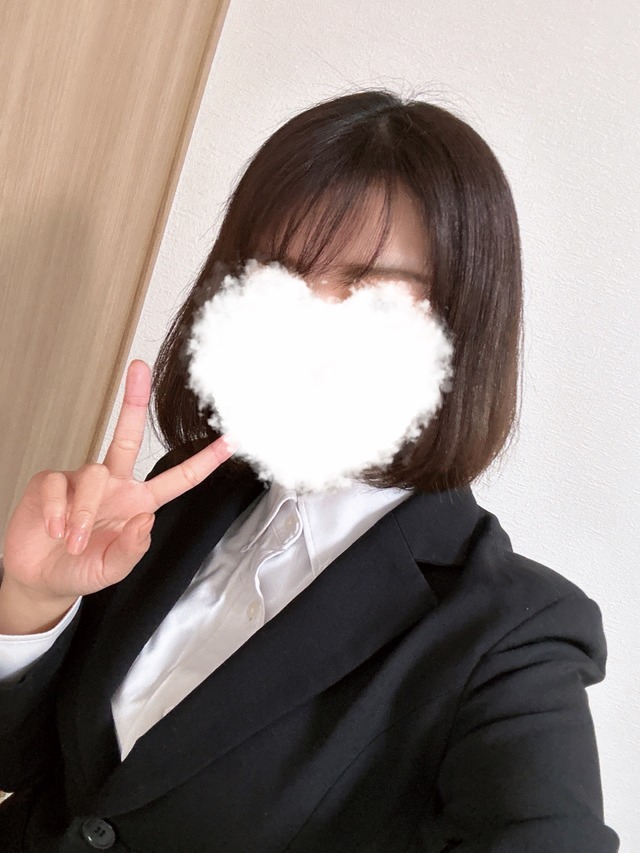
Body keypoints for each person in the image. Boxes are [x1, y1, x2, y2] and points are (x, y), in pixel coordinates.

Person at [0, 89, 619, 852]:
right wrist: (33, 600)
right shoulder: (183, 499)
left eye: (370, 286)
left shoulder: (511, 634)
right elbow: (29, 767)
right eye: (280, 274)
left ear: (462, 322)